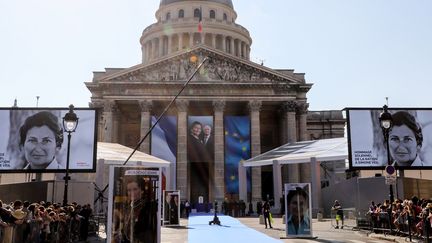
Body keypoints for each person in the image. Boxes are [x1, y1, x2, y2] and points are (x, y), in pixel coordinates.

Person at [118, 177, 156, 243]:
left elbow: (148, 233)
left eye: (135, 189)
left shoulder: (146, 208)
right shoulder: (128, 207)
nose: (131, 192)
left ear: (141, 191)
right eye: (129, 190)